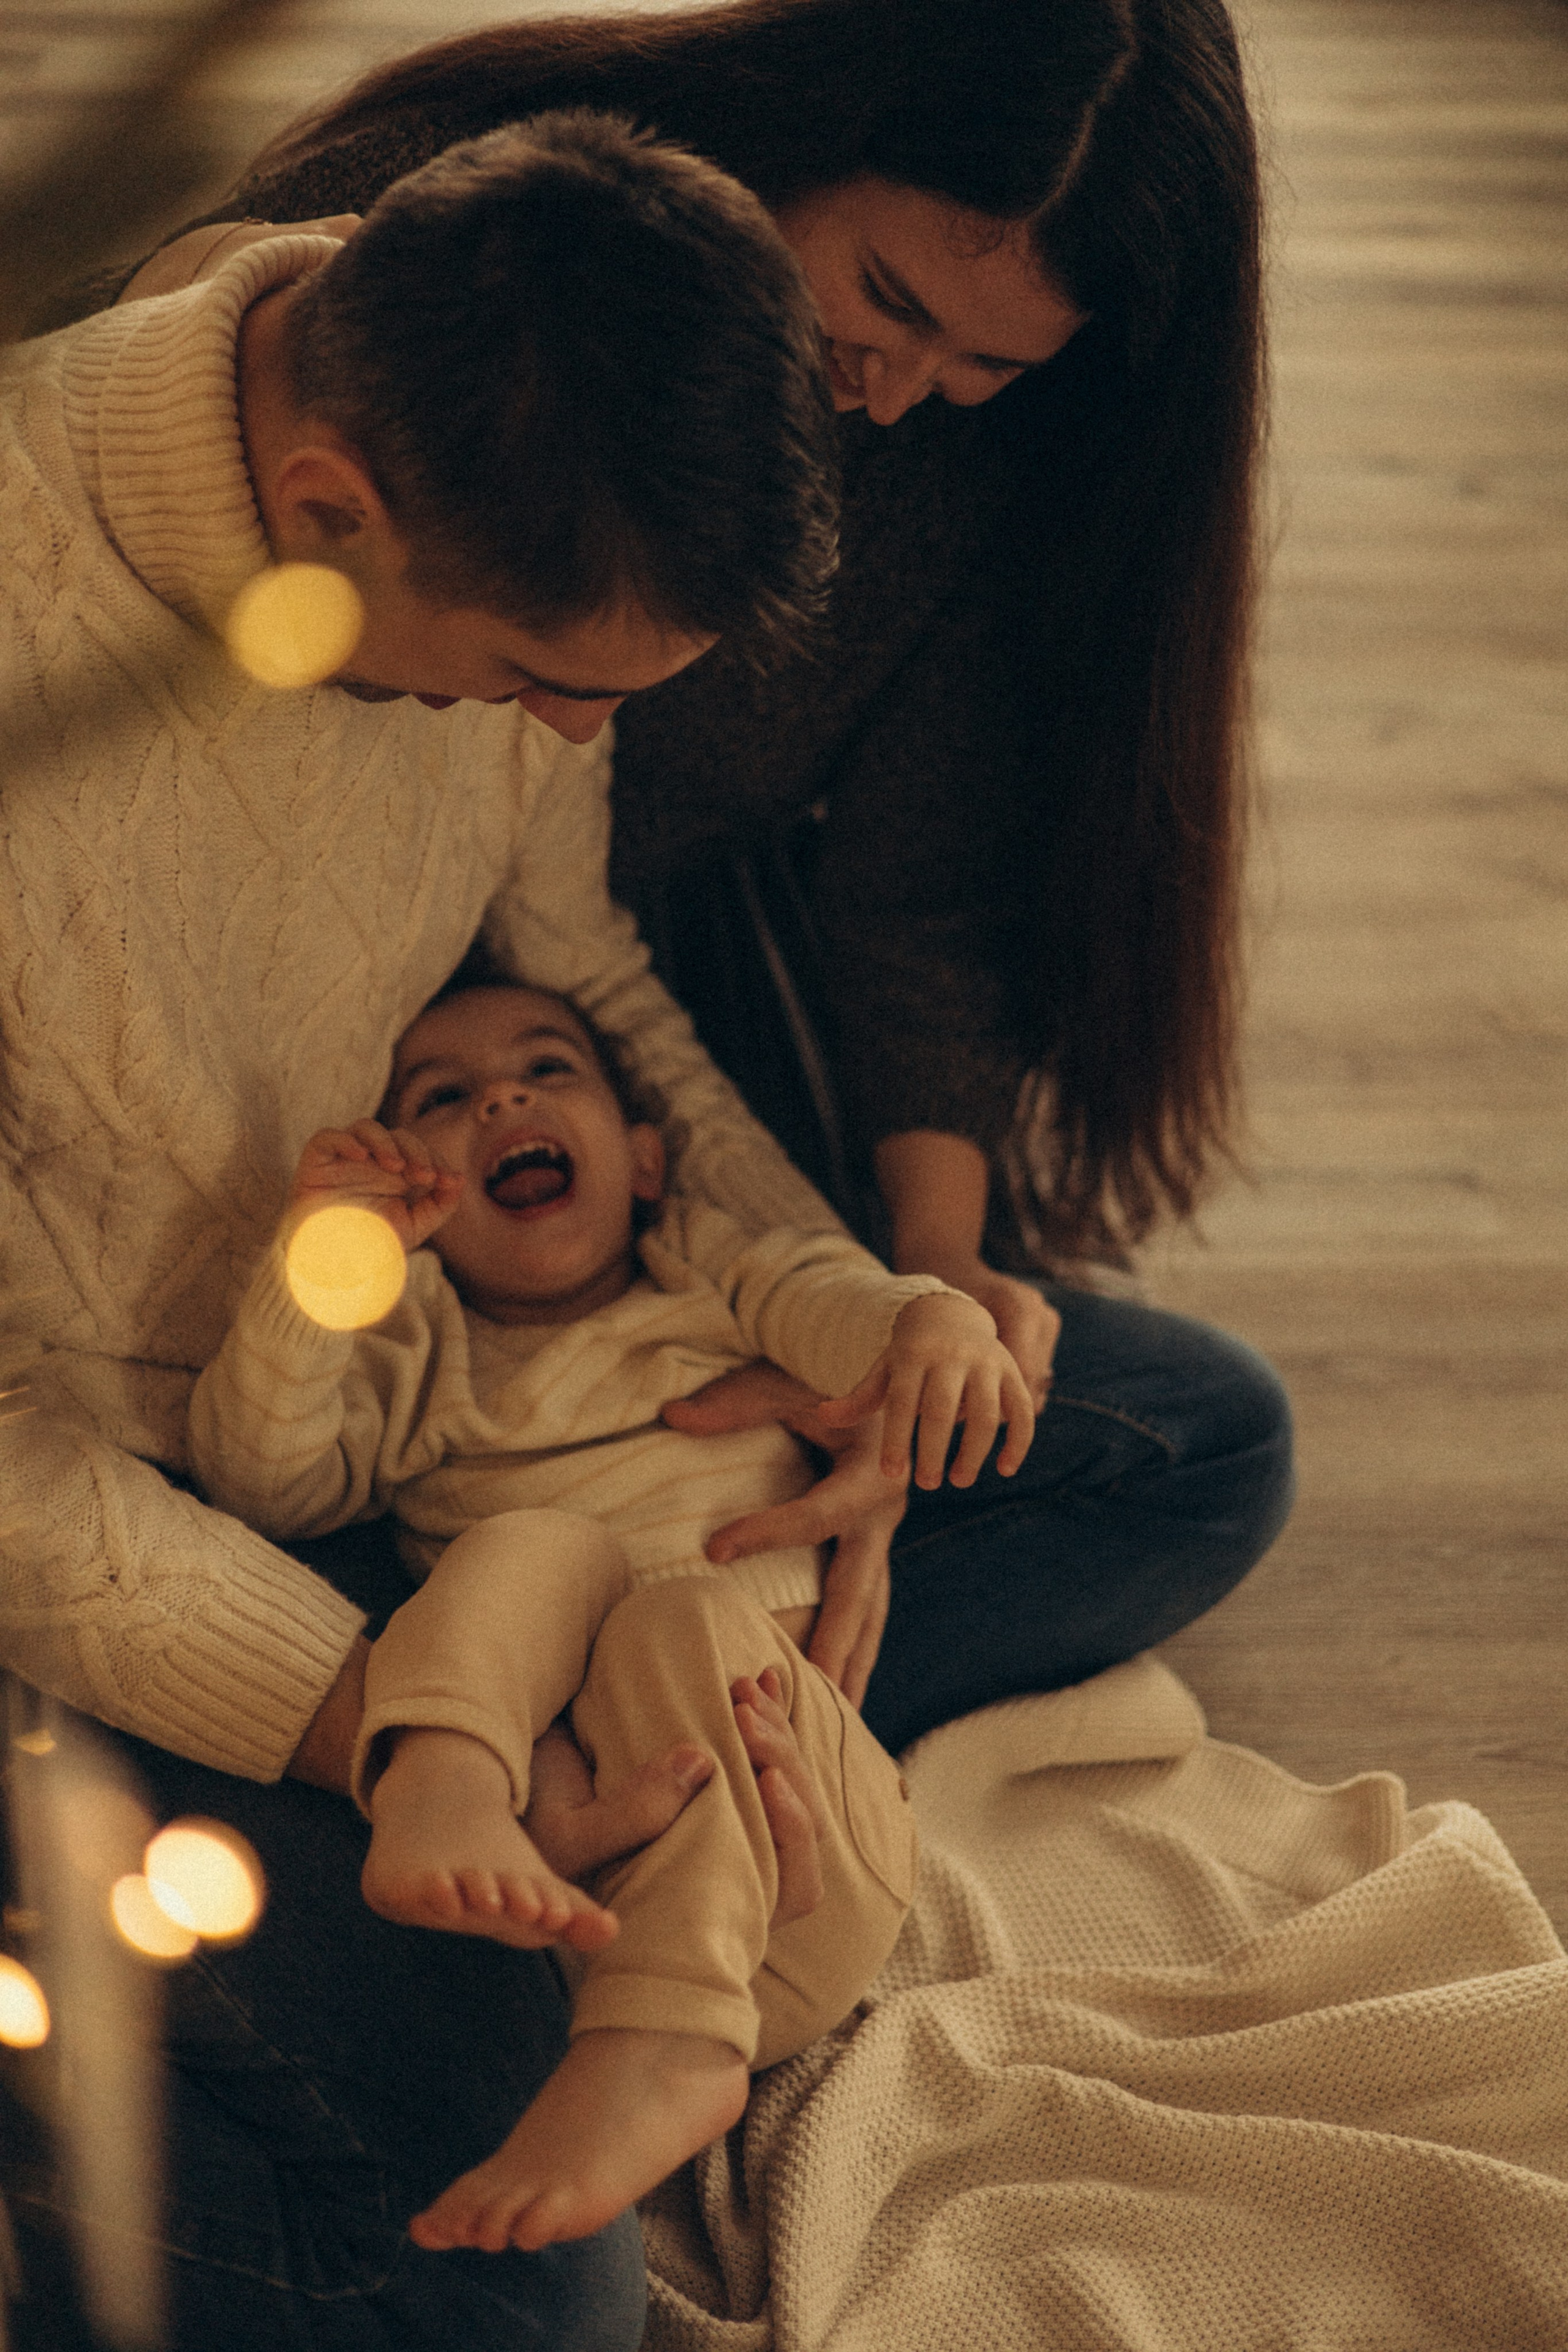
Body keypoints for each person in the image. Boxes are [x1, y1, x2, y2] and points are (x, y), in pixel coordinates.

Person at [110, 0, 1295, 1758]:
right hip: (267, 1074)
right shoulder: (461, 257)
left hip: (629, 1017)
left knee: (1205, 1436)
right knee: (208, 1521)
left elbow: (913, 890)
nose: (899, 391)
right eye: (887, 301)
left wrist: (921, 1301)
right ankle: (484, 1702)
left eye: (988, 366)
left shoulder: (956, 465)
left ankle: (659, 1699)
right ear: (808, 123)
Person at [0, 111, 853, 2351]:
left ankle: (648, 1738)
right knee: (516, 2304)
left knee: (1175, 1438)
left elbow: (586, 978)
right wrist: (394, 1723)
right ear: (322, 518)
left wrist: (838, 1326)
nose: (566, 736)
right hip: (84, 1537)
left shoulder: (462, 427)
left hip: (394, 1411)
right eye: (532, 682)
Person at [189, 969, 1032, 2252]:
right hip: (568, 1892)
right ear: (417, 1206)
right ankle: (447, 1783)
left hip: (808, 1863)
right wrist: (320, 1263)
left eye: (547, 1069)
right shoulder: (420, 1352)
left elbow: (827, 1297)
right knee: (533, 1549)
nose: (502, 1100)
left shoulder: (707, 1275)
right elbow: (263, 1479)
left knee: (674, 1621)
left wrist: (926, 1320)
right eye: (442, 1098)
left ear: (643, 1160)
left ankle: (671, 2044)